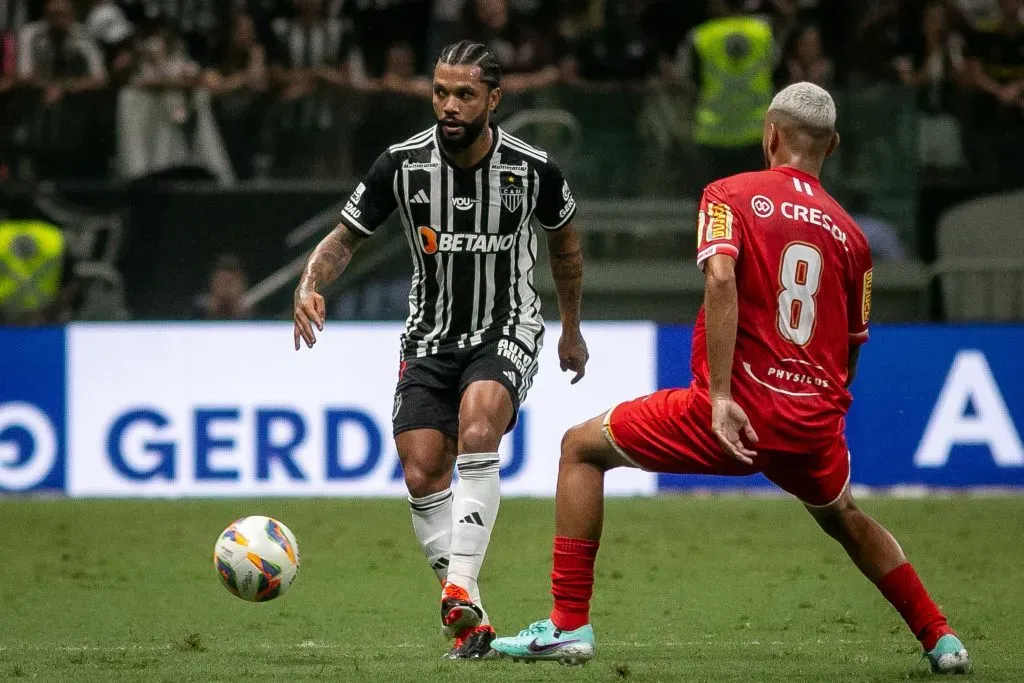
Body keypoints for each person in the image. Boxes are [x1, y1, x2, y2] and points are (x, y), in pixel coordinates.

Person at [490, 82, 972, 675]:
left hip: (731, 411)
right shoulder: (855, 238)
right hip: (810, 421)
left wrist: (720, 396)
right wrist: (817, 412)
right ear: (834, 146)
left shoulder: (729, 194)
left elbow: (721, 279)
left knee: (579, 450)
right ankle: (942, 639)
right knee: (844, 515)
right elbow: (851, 349)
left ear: (770, 133)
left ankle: (567, 625)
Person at [292, 39, 588, 660]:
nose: (449, 106)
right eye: (440, 92)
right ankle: (471, 614)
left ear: (494, 99)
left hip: (507, 327)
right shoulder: (400, 165)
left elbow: (566, 249)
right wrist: (309, 284)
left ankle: (457, 583)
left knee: (478, 427)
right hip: (428, 337)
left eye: (464, 94)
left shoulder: (533, 170)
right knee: (423, 468)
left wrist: (570, 328)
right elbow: (345, 238)